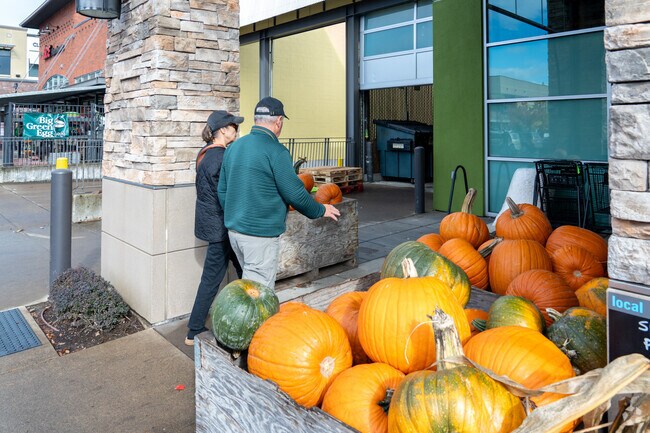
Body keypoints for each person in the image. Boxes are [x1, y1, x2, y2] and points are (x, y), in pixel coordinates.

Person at [218, 97, 340, 290]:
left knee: (247, 289)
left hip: (235, 232)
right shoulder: (276, 151)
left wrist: (235, 215)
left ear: (256, 120)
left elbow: (222, 190)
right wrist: (319, 209)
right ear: (279, 121)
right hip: (260, 236)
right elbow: (295, 193)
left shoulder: (234, 147)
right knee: (258, 297)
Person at [186, 110, 244, 346]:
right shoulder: (220, 157)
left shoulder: (204, 153)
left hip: (212, 223)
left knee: (245, 268)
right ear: (222, 131)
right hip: (221, 227)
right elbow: (226, 195)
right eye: (234, 127)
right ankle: (193, 330)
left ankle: (251, 313)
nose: (236, 130)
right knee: (212, 279)